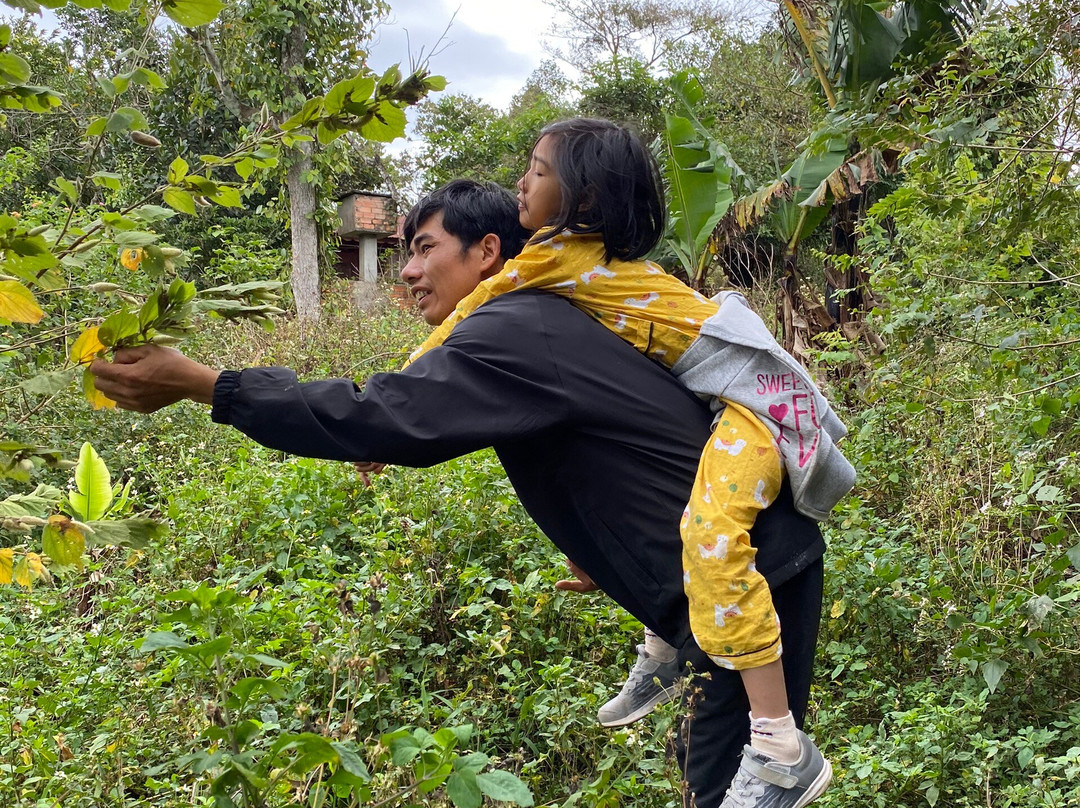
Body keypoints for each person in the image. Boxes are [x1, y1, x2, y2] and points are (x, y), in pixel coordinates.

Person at [90, 178, 828, 808]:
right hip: (718, 586)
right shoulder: (526, 321)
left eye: (424, 248)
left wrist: (206, 384)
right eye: (406, 249)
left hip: (744, 579)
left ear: (488, 253)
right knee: (709, 763)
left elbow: (380, 415)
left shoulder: (514, 328)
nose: (409, 271)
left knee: (733, 781)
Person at [400, 121, 854, 807]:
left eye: (537, 169)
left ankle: (780, 744)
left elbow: (465, 316)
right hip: (717, 398)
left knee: (710, 536)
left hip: (751, 404)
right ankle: (666, 653)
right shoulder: (573, 257)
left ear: (582, 194)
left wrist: (393, 398)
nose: (521, 182)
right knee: (672, 502)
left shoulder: (555, 260)